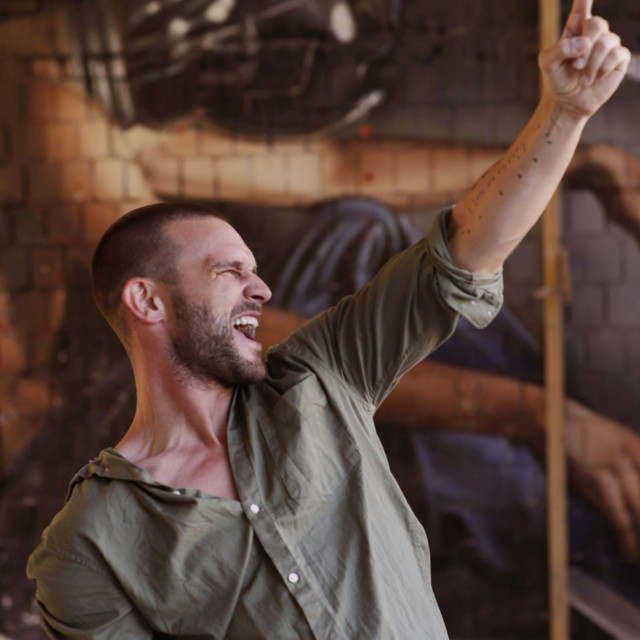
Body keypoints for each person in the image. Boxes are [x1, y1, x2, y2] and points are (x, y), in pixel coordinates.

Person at [24, 1, 632, 637]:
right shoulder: (89, 546)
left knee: (360, 227)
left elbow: (461, 252)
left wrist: (564, 117)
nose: (260, 288)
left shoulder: (319, 375)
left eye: (254, 269)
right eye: (229, 272)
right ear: (147, 301)